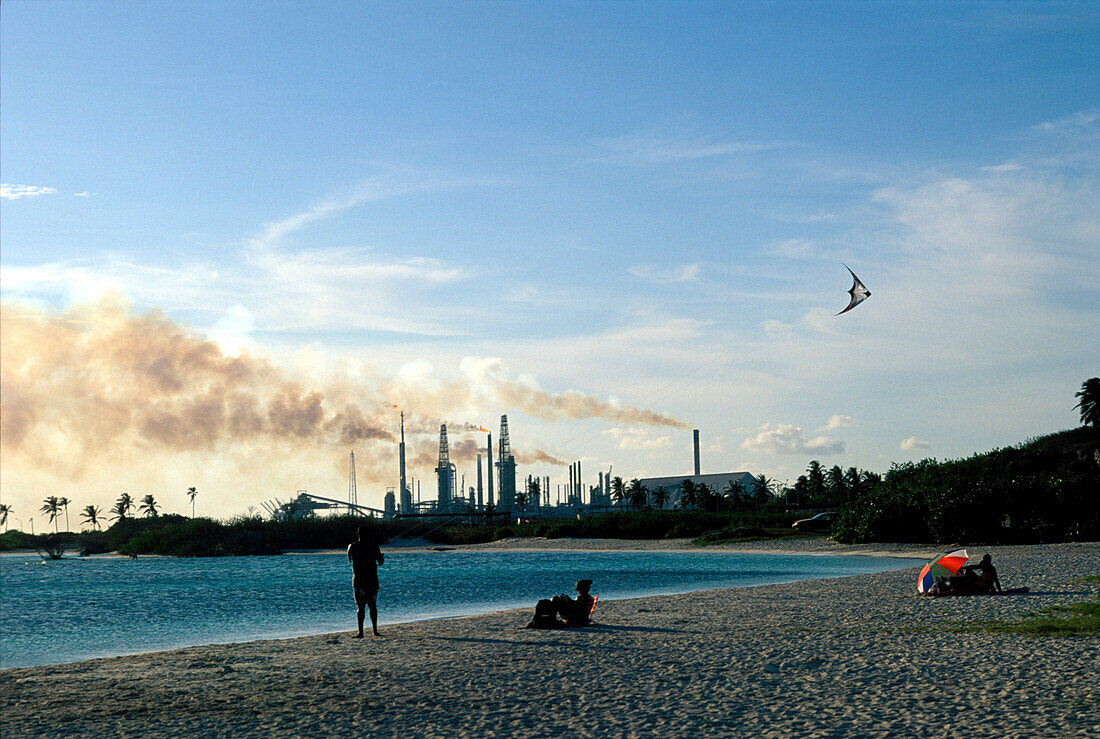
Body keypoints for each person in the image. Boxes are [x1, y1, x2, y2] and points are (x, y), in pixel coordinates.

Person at [347, 525, 385, 637]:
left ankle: (361, 632)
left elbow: (350, 559)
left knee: (360, 607)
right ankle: (375, 631)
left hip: (358, 580)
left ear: (358, 535)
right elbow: (380, 562)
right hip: (372, 580)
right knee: (372, 605)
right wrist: (380, 558)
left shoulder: (352, 547)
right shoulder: (374, 546)